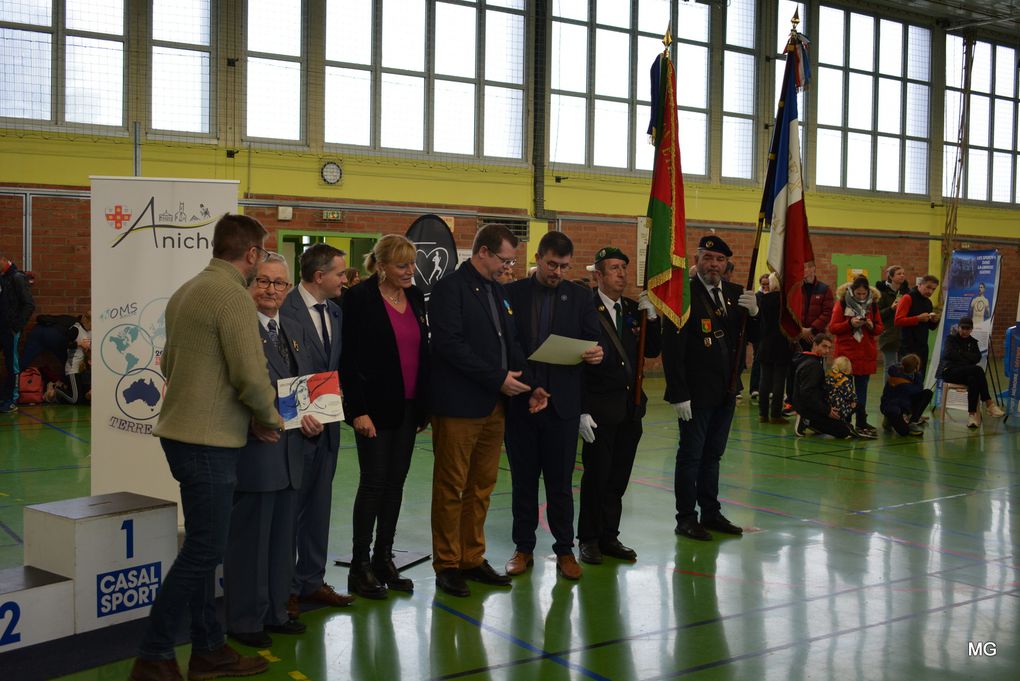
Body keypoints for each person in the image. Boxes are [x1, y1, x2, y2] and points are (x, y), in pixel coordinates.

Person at [129, 214, 282, 681]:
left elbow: (172, 361)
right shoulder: (232, 296)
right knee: (203, 552)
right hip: (208, 442)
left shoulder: (187, 290)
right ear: (252, 254)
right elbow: (249, 372)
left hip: (182, 435)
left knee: (201, 547)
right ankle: (154, 656)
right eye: (263, 253)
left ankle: (209, 649)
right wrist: (269, 417)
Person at [428, 224, 548, 597]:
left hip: (495, 406)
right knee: (452, 487)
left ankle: (471, 557)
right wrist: (497, 379)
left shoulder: (498, 291)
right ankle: (447, 564)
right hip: (460, 406)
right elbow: (450, 345)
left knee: (481, 487)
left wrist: (529, 384)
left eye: (510, 261)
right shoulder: (450, 288)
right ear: (482, 252)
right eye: (504, 259)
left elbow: (512, 342)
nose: (508, 266)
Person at [224, 254, 322, 649]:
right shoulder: (238, 329)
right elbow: (228, 387)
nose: (271, 290)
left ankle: (277, 611)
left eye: (279, 283)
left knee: (283, 540)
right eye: (263, 281)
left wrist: (315, 415)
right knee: (251, 541)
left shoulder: (294, 327)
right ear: (249, 285)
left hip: (292, 452)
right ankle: (245, 620)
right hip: (255, 452)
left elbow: (306, 386)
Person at [502, 232, 602, 581]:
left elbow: (593, 337)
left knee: (560, 484)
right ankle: (523, 547)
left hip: (562, 407)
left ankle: (565, 551)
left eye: (563, 266)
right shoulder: (512, 294)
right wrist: (530, 384)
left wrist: (595, 352)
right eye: (551, 264)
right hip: (522, 403)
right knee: (523, 483)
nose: (557, 271)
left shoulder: (579, 295)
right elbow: (509, 344)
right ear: (538, 258)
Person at [341, 235, 430, 599]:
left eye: (412, 264)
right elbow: (348, 360)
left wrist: (424, 405)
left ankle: (383, 559)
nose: (410, 271)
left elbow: (423, 349)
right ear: (380, 266)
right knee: (374, 484)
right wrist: (357, 410)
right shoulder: (358, 299)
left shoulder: (414, 296)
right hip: (373, 410)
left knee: (396, 484)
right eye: (401, 265)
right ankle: (359, 566)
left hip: (409, 406)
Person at [662, 235, 759, 541]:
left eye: (719, 260)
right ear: (696, 261)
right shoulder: (685, 296)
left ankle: (711, 512)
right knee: (691, 456)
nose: (713, 265)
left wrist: (756, 314)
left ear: (726, 264)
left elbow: (752, 337)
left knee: (713, 455)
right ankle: (686, 517)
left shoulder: (735, 294)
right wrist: (678, 392)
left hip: (726, 390)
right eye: (707, 258)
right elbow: (672, 349)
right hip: (694, 393)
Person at [280, 243, 353, 614]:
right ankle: (285, 587)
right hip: (294, 429)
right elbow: (278, 372)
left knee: (319, 506)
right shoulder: (282, 311)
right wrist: (297, 416)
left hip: (328, 428)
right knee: (290, 510)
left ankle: (311, 580)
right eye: (341, 273)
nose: (346, 279)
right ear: (319, 276)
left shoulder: (336, 312)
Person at [576, 246, 660, 565]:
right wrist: (581, 409)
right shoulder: (585, 308)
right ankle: (588, 539)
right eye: (614, 268)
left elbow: (651, 351)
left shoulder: (631, 308)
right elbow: (575, 363)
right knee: (597, 477)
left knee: (618, 478)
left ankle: (610, 536)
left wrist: (652, 318)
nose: (621, 273)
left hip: (630, 407)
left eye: (624, 267)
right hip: (598, 409)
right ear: (598, 275)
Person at [828, 275, 883, 435]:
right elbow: (833, 328)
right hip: (846, 354)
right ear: (852, 291)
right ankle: (844, 421)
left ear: (868, 292)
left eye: (863, 294)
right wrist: (849, 323)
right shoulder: (842, 303)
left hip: (865, 352)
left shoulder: (873, 305)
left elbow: (880, 328)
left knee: (862, 390)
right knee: (843, 390)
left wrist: (872, 325)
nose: (860, 296)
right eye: (857, 293)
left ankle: (861, 421)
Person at [939, 315, 1005, 428]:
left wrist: (960, 353)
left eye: (967, 329)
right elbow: (948, 354)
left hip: (965, 373)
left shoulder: (973, 342)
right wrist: (967, 358)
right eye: (962, 328)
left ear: (971, 330)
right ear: (958, 327)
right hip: (950, 372)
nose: (965, 331)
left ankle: (972, 415)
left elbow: (977, 358)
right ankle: (989, 403)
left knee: (973, 379)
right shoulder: (951, 339)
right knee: (978, 369)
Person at [791, 333, 855, 439]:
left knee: (841, 424)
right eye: (824, 346)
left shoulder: (808, 360)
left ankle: (812, 422)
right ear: (815, 345)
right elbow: (808, 394)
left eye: (829, 348)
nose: (827, 351)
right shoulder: (813, 365)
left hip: (810, 405)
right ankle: (807, 420)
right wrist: (827, 411)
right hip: (808, 408)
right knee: (843, 431)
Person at [756, 273, 794, 424]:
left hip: (765, 343)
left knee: (764, 380)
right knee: (779, 380)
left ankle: (763, 414)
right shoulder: (785, 302)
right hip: (781, 343)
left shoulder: (762, 299)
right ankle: (776, 414)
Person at [0, 250, 35, 413]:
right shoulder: (4, 278)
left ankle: (12, 400)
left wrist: (16, 327)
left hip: (11, 330)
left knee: (12, 364)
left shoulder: (17, 277)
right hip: (2, 327)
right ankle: (5, 395)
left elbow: (29, 305)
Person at [895, 274, 940, 378]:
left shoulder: (928, 302)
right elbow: (898, 321)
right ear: (920, 285)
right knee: (906, 378)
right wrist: (917, 318)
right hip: (907, 347)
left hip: (922, 347)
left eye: (933, 289)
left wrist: (934, 321)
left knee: (920, 378)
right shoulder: (907, 298)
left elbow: (931, 327)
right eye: (928, 287)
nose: (930, 292)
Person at [45, 312, 91, 404]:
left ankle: (61, 392)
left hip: (84, 369)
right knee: (75, 399)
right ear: (87, 320)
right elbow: (62, 344)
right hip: (73, 368)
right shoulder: (76, 329)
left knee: (82, 400)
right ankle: (56, 387)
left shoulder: (90, 331)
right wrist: (79, 344)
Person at [880, 354, 930, 436]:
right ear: (916, 367)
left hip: (903, 404)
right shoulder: (900, 379)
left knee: (927, 393)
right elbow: (915, 390)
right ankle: (889, 419)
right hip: (893, 408)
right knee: (904, 432)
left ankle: (912, 422)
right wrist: (907, 412)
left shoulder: (902, 373)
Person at [876, 265, 909, 370]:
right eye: (899, 274)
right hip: (889, 335)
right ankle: (889, 387)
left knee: (903, 367)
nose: (902, 276)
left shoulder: (906, 292)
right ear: (890, 276)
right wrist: (891, 309)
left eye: (903, 273)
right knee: (891, 367)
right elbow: (877, 315)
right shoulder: (881, 293)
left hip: (904, 335)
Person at [798, 260, 834, 349]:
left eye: (805, 268)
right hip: (798, 335)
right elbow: (792, 310)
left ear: (813, 269)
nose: (802, 271)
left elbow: (827, 313)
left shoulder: (824, 289)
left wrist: (812, 329)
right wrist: (800, 329)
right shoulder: (796, 288)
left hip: (816, 336)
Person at [749, 272, 771, 401]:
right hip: (760, 333)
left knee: (770, 361)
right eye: (763, 284)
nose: (765, 287)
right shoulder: (757, 296)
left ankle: (769, 388)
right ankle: (754, 388)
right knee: (757, 359)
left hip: (770, 333)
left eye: (767, 284)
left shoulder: (774, 296)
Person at [825, 356, 857, 425]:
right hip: (840, 407)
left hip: (828, 406)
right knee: (856, 405)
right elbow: (849, 394)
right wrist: (854, 400)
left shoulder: (829, 376)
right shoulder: (846, 380)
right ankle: (846, 421)